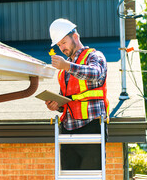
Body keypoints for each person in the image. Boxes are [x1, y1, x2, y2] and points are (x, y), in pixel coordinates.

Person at [45, 18, 109, 170]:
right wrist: (57, 105)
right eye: (59, 45)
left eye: (63, 42)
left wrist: (67, 65)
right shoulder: (64, 71)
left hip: (91, 125)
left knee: (92, 177)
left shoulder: (94, 56)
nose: (62, 48)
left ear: (75, 37)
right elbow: (68, 100)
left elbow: (96, 73)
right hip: (68, 129)